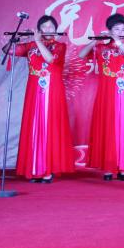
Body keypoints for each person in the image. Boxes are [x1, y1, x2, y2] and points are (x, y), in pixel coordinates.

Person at [12, 15, 75, 183]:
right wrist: (17, 38)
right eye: (44, 27)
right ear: (39, 29)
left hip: (53, 90)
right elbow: (8, 51)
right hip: (34, 90)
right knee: (35, 126)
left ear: (55, 29)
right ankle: (35, 169)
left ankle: (49, 169)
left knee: (50, 126)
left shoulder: (59, 46)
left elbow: (50, 59)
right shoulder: (30, 46)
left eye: (50, 27)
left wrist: (37, 41)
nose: (48, 29)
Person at [80, 14, 124, 181]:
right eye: (116, 29)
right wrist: (96, 40)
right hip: (106, 94)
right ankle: (108, 167)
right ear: (109, 31)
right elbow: (82, 54)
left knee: (123, 128)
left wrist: (120, 43)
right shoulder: (102, 47)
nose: (120, 32)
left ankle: (123, 168)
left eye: (123, 29)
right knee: (107, 128)